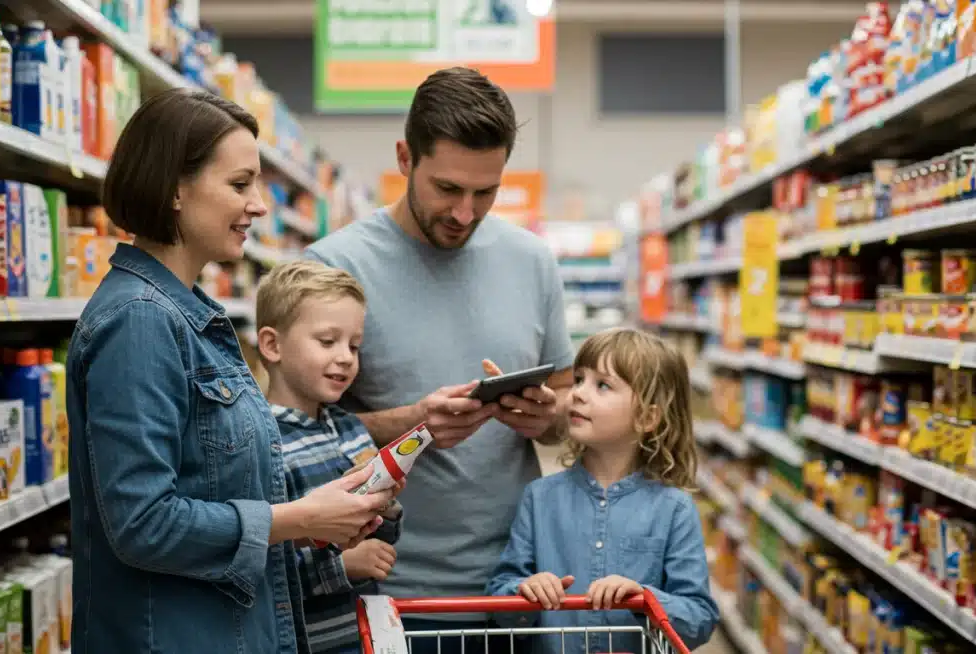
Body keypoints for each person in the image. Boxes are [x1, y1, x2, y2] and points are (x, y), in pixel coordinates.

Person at [66, 88, 394, 654]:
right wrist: (294, 518)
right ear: (175, 188)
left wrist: (321, 508)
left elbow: (213, 482)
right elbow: (143, 523)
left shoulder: (188, 316)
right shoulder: (140, 322)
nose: (260, 204)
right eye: (240, 184)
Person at [305, 66, 574, 652]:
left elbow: (568, 404)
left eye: (486, 192)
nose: (465, 212)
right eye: (447, 188)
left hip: (521, 586)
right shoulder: (332, 268)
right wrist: (410, 424)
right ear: (405, 157)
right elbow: (288, 435)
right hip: (385, 589)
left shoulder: (532, 261)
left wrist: (546, 418)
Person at [485, 328, 720, 653]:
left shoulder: (674, 509)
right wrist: (525, 593)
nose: (578, 394)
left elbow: (699, 617)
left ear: (647, 417)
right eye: (579, 379)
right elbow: (499, 599)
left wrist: (644, 599)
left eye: (603, 385)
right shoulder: (539, 498)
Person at [255, 260, 404, 654]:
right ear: (272, 345)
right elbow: (258, 566)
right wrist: (343, 566)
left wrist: (385, 505)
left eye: (353, 345)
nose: (345, 357)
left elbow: (381, 541)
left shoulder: (351, 429)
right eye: (327, 341)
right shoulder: (260, 443)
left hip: (366, 635)